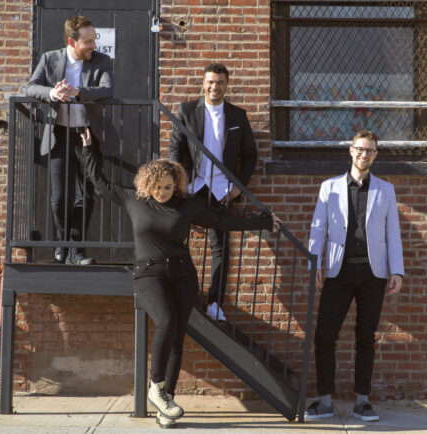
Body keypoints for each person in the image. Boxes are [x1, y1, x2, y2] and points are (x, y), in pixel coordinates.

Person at [80, 129, 280, 428]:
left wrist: (261, 222)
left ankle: (166, 405)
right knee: (167, 322)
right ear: (148, 184)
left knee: (177, 340)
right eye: (159, 187)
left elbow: (222, 221)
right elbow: (101, 182)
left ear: (177, 185)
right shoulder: (134, 200)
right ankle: (156, 387)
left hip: (183, 274)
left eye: (169, 187)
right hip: (148, 273)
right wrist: (88, 150)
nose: (164, 192)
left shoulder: (185, 206)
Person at [306, 130, 404, 422]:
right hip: (338, 270)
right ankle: (324, 400)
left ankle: (362, 401)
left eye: (370, 151)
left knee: (366, 337)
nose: (364, 155)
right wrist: (315, 263)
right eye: (360, 149)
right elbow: (318, 228)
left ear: (376, 155)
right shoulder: (330, 187)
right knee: (324, 336)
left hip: (373, 274)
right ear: (351, 151)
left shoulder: (385, 190)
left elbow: (392, 233)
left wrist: (396, 270)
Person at [168, 63, 257, 322]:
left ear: (226, 85)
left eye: (219, 82)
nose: (214, 87)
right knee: (175, 240)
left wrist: (236, 189)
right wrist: (180, 184)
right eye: (210, 82)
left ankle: (215, 302)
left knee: (221, 248)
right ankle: (178, 292)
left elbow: (250, 156)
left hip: (222, 192)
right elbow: (176, 152)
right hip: (192, 189)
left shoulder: (237, 116)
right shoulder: (186, 111)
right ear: (203, 83)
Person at [24, 15, 114, 265]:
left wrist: (78, 92)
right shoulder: (50, 59)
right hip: (59, 134)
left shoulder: (102, 61)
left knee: (86, 195)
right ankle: (63, 243)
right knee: (60, 197)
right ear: (71, 41)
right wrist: (52, 93)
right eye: (87, 41)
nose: (93, 45)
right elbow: (30, 88)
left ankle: (75, 251)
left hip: (87, 135)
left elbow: (108, 89)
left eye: (94, 39)